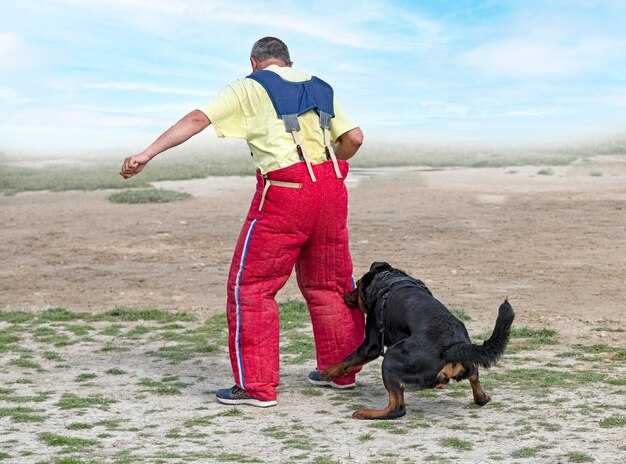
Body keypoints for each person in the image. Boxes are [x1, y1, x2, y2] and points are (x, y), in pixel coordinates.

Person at [120, 37, 365, 407]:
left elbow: (198, 118)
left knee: (252, 287)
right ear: (288, 62)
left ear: (255, 62)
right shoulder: (320, 84)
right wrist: (326, 168)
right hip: (332, 189)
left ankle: (257, 387)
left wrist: (147, 153)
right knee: (330, 284)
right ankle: (341, 372)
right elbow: (354, 139)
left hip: (286, 191)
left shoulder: (247, 86)